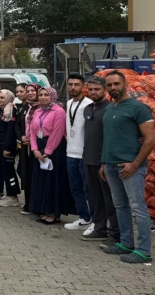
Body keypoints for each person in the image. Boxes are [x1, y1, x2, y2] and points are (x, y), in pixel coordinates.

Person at [100, 70, 155, 264]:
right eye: (110, 85)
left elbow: (150, 139)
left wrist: (135, 164)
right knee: (120, 206)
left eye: (117, 84)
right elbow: (109, 138)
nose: (113, 87)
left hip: (130, 166)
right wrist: (104, 162)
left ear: (126, 85)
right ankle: (125, 243)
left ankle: (143, 251)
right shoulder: (109, 108)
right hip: (111, 165)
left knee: (138, 207)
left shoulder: (138, 108)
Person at [28, 87, 75, 224]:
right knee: (41, 180)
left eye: (46, 95)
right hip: (39, 147)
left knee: (53, 181)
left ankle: (54, 213)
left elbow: (57, 132)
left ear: (52, 96)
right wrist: (35, 149)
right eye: (41, 95)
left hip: (54, 149)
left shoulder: (58, 111)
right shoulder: (37, 111)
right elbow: (31, 131)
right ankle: (44, 209)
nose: (42, 97)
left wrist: (47, 152)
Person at [81, 76, 120, 244]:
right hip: (88, 159)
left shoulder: (110, 109)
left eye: (97, 89)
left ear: (105, 90)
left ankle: (115, 233)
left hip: (104, 162)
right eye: (90, 89)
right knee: (94, 197)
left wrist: (105, 162)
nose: (93, 92)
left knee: (109, 199)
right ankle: (99, 228)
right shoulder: (88, 109)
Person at [63, 74, 94, 231]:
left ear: (83, 86)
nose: (73, 88)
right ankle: (84, 217)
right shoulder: (68, 103)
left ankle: (96, 221)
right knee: (75, 188)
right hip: (70, 152)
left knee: (89, 189)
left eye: (76, 84)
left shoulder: (89, 104)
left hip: (84, 154)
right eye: (70, 84)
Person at [0, 89, 21, 207]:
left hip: (8, 146)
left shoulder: (11, 110)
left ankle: (13, 196)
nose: (0, 100)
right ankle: (10, 194)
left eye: (2, 98)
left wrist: (7, 147)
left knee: (9, 170)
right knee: (5, 170)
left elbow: (11, 131)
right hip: (1, 144)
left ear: (9, 98)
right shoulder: (0, 110)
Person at [17, 83, 40, 215]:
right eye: (28, 91)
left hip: (37, 147)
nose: (30, 93)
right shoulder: (27, 107)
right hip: (25, 147)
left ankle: (36, 204)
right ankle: (28, 202)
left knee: (35, 175)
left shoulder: (42, 107)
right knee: (24, 173)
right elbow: (18, 125)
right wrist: (21, 136)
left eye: (33, 91)